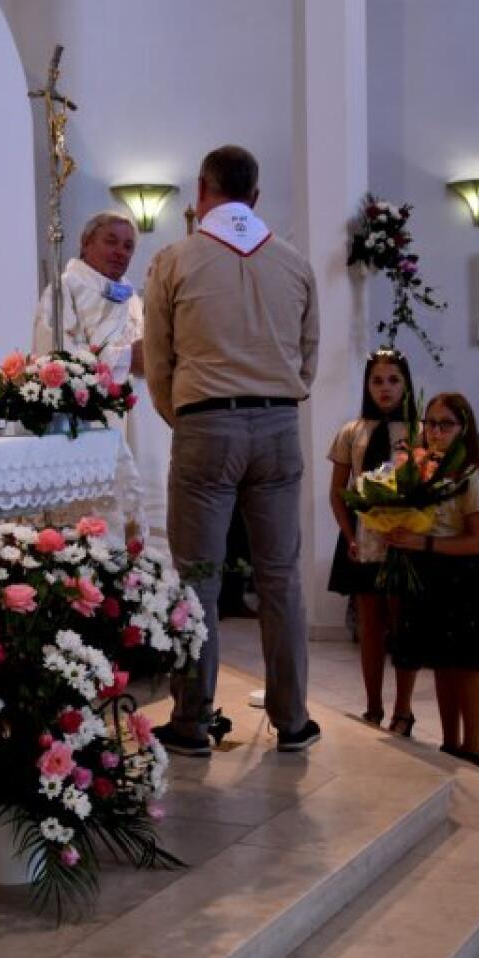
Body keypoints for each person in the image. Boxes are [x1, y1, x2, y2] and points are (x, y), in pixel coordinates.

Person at [144, 143, 320, 756]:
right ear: (256, 195)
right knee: (282, 578)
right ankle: (293, 721)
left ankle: (192, 722)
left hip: (206, 423)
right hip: (279, 425)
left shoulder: (175, 259)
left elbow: (158, 361)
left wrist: (187, 416)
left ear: (201, 190)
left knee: (198, 578)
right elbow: (309, 356)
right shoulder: (294, 263)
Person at [32, 210, 170, 546]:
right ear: (85, 242)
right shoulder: (65, 290)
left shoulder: (132, 299)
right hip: (91, 420)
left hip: (139, 420)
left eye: (128, 246)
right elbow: (57, 356)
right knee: (100, 520)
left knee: (145, 515)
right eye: (111, 242)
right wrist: (125, 358)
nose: (120, 252)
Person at [388, 393, 479, 767]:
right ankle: (450, 744)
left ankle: (473, 748)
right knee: (442, 664)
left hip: (461, 577)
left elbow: (478, 541)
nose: (435, 432)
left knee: (464, 667)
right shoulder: (425, 470)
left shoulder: (472, 476)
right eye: (430, 423)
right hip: (428, 572)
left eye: (445, 424)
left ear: (464, 429)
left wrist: (424, 542)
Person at [328, 348, 419, 735]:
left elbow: (427, 488)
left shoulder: (418, 431)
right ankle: (372, 706)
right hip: (363, 538)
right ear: (367, 385)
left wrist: (412, 529)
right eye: (377, 380)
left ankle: (404, 709)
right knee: (370, 626)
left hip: (404, 541)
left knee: (403, 624)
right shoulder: (353, 431)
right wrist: (349, 535)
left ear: (406, 384)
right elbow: (339, 492)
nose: (385, 388)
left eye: (394, 380)